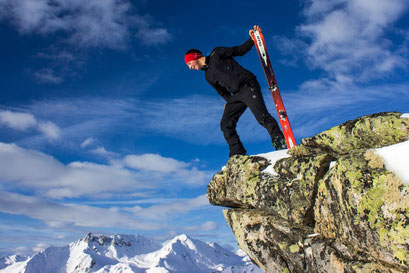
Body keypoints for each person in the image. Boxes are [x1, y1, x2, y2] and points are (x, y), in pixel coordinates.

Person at [185, 25, 287, 157]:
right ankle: (237, 152)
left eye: (189, 64)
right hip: (236, 95)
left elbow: (238, 50)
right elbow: (222, 92)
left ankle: (279, 140)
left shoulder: (217, 53)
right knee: (225, 124)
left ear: (194, 57)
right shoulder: (207, 76)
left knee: (262, 116)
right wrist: (229, 103)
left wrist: (252, 40)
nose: (190, 67)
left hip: (247, 85)